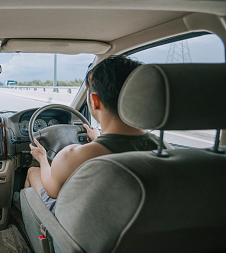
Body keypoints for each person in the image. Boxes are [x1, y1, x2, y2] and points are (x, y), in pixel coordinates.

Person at [25, 56, 160, 212]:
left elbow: (51, 190)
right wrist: (98, 139)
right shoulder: (167, 151)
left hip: (73, 228)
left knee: (32, 172)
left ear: (95, 101)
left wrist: (42, 158)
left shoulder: (71, 156)